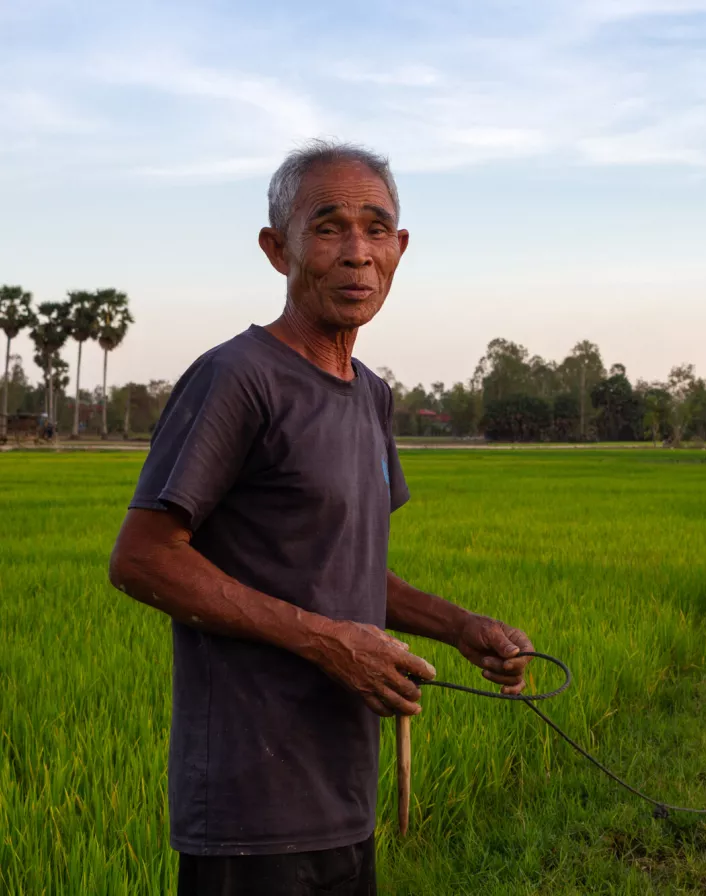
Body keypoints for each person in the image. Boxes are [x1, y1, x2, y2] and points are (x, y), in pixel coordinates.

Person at [108, 140, 534, 896]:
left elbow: (346, 565)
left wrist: (462, 627)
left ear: (400, 249)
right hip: (251, 806)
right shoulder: (237, 378)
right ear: (279, 249)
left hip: (341, 786)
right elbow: (144, 558)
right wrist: (333, 642)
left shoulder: (370, 392)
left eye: (377, 229)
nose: (357, 254)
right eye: (329, 227)